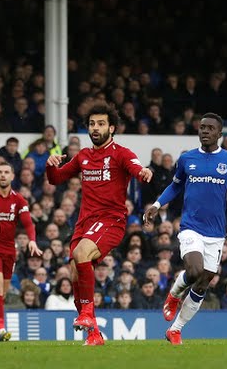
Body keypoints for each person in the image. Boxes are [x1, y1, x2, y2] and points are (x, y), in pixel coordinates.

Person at [45, 102, 153, 346]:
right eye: (92, 124)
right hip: (85, 222)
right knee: (73, 269)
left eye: (101, 123)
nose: (95, 128)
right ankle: (94, 334)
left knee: (80, 253)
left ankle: (85, 314)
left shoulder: (121, 153)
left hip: (111, 220)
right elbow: (57, 179)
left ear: (111, 128)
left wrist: (143, 172)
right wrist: (50, 167)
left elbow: (136, 167)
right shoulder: (83, 156)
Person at [144, 112, 227, 346]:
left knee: (203, 282)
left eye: (210, 128)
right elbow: (174, 187)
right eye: (202, 127)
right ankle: (173, 295)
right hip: (191, 226)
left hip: (216, 232)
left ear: (219, 134)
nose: (204, 131)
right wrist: (156, 204)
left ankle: (175, 330)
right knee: (193, 271)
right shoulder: (187, 159)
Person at [0, 162, 41, 342]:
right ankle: (1, 329)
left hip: (9, 250)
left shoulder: (19, 200)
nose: (3, 175)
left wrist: (32, 241)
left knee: (1, 294)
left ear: (13, 176)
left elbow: (28, 223)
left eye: (7, 172)